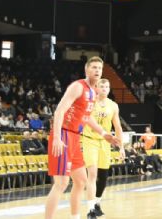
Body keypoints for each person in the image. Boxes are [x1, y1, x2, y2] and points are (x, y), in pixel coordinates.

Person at [44, 57, 120, 219]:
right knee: (62, 183)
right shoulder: (78, 86)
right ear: (86, 69)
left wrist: (103, 133)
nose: (97, 70)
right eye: (94, 67)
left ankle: (75, 217)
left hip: (75, 138)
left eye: (99, 68)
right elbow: (59, 111)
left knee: (81, 181)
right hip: (63, 134)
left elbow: (86, 117)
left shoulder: (93, 92)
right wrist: (57, 137)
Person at [82, 79, 125, 219]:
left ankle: (97, 203)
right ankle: (90, 210)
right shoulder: (89, 102)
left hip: (105, 143)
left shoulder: (113, 105)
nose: (104, 88)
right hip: (90, 140)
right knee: (92, 174)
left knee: (103, 177)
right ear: (96, 88)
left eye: (107, 86)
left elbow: (117, 127)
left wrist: (121, 147)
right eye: (102, 86)